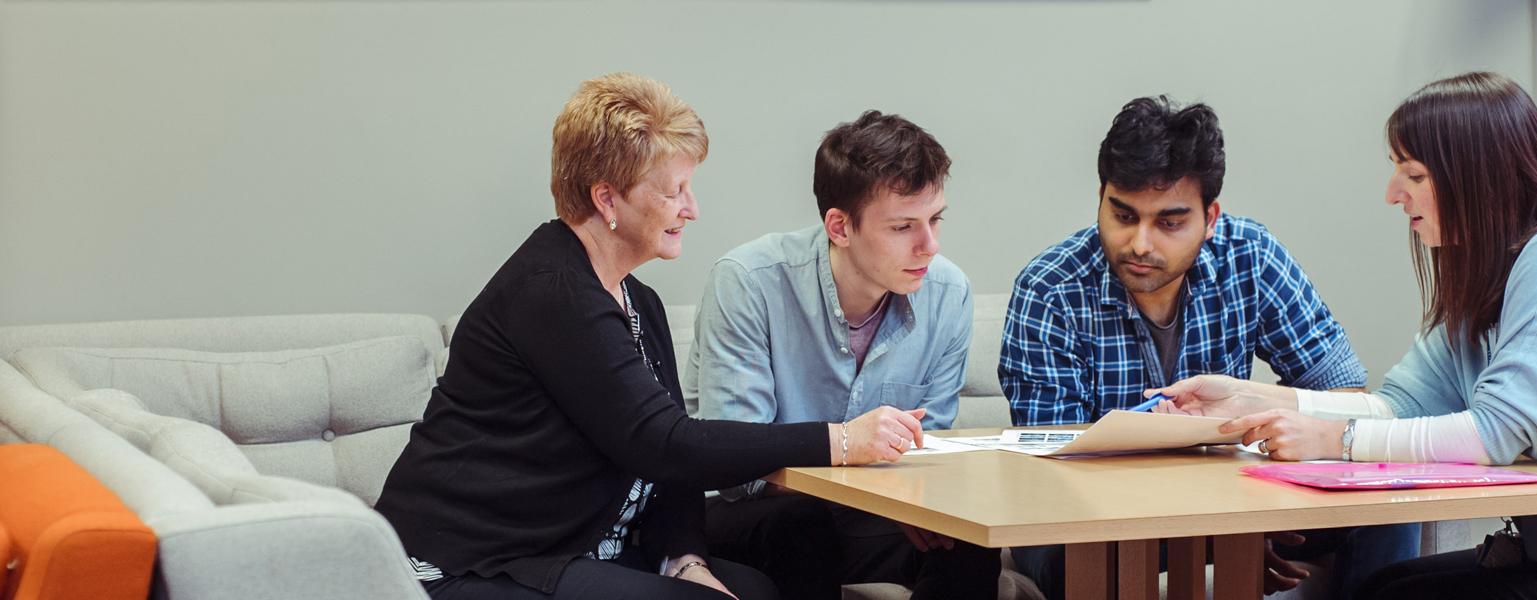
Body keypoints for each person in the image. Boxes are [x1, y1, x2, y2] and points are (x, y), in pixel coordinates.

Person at [1149, 72, 1537, 599]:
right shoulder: (1480, 279)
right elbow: (1401, 405)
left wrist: (1333, 437)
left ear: (1475, 179)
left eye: (1411, 174)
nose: (1392, 194)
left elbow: (1495, 432)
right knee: (1384, 586)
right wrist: (1257, 400)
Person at [374, 73, 933, 600]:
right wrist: (840, 440)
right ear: (607, 198)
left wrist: (685, 558)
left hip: (584, 547)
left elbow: (673, 466)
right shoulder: (552, 291)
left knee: (759, 582)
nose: (692, 209)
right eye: (674, 191)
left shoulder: (637, 299)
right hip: (475, 560)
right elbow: (666, 442)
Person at [999, 95, 1418, 600]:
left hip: (1239, 500)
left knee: (1387, 502)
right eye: (1123, 215)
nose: (1141, 243)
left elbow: (1341, 394)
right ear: (1101, 197)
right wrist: (1215, 534)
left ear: (1210, 216)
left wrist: (1246, 519)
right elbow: (1051, 466)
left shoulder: (1250, 256)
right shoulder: (1051, 288)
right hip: (1091, 519)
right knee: (1068, 552)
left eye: (1170, 222)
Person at [688, 110, 999, 600]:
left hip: (873, 515)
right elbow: (735, 468)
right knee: (800, 523)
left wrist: (917, 506)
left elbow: (927, 445)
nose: (929, 245)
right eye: (903, 227)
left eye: (934, 219)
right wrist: (852, 452)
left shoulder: (948, 292)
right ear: (839, 226)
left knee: (966, 540)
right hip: (752, 516)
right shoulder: (749, 281)